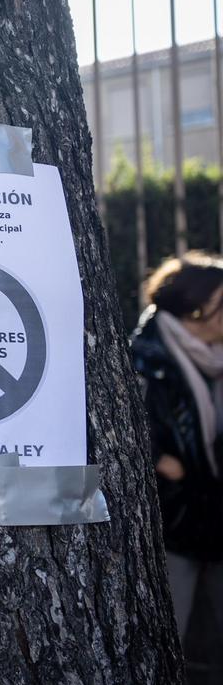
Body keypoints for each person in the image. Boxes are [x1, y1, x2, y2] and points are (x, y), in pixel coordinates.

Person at [132, 251, 223, 640]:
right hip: (174, 520)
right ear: (195, 313)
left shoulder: (215, 358)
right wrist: (161, 461)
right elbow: (128, 434)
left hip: (214, 512)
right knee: (171, 637)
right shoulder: (144, 362)